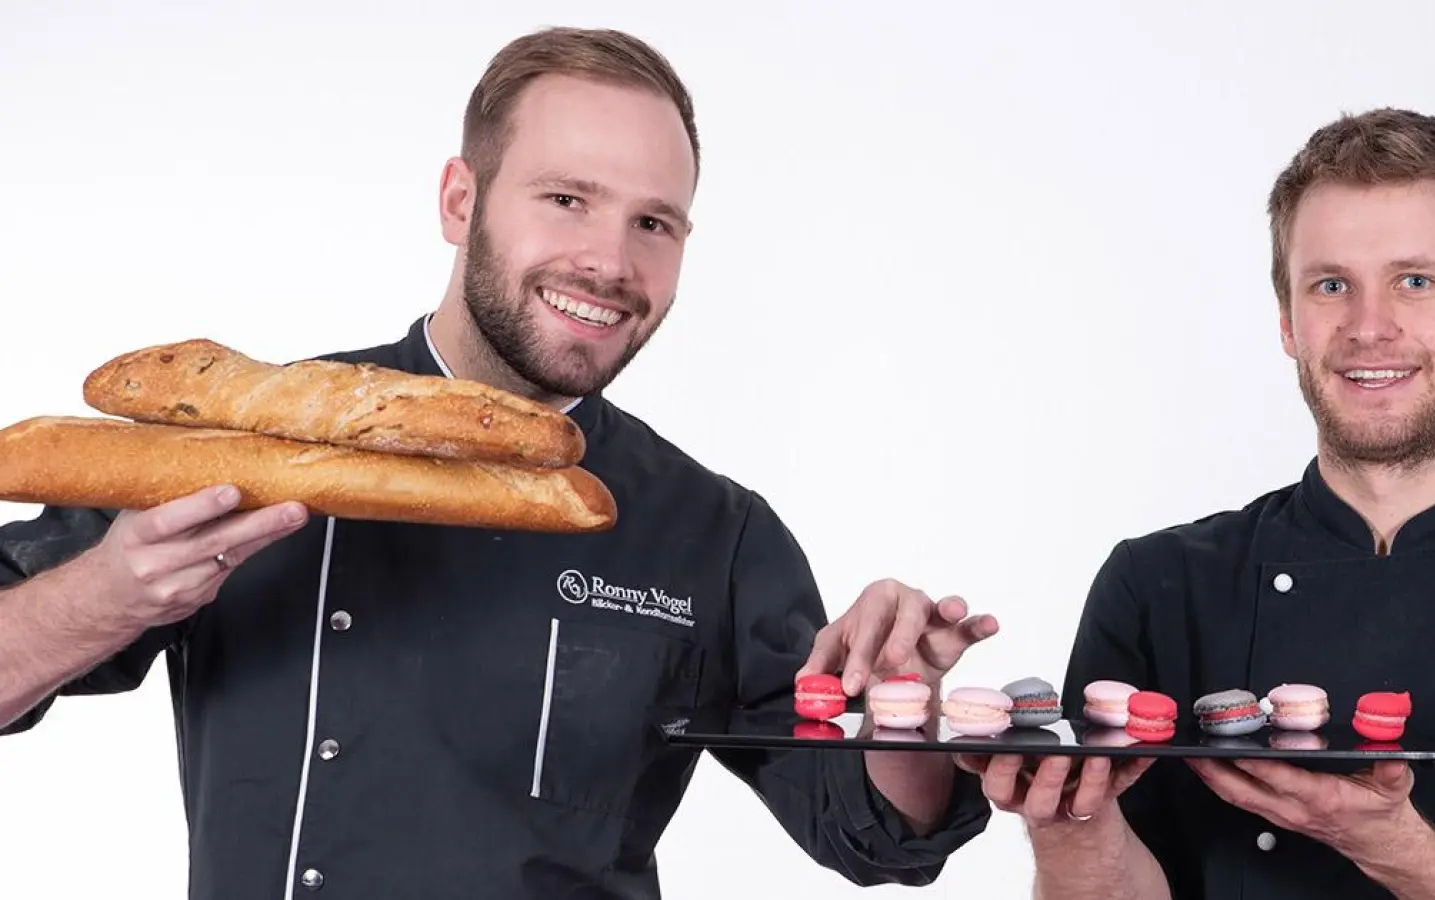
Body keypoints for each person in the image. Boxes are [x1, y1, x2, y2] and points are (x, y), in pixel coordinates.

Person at [0, 27, 996, 899]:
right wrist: (107, 596)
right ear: (458, 199)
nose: (610, 261)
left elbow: (867, 835)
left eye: (654, 222)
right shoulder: (252, 447)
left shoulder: (714, 531)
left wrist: (900, 709)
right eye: (567, 199)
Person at [962, 107, 1435, 899]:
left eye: (1415, 281)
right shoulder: (1158, 587)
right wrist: (1068, 827)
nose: (1370, 327)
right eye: (1331, 285)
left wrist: (1392, 846)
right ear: (1288, 321)